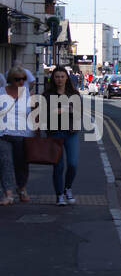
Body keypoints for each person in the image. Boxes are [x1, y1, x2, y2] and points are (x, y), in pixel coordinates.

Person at [42, 65, 83, 205]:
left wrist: (63, 109)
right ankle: (59, 195)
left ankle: (68, 188)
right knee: (58, 166)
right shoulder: (47, 95)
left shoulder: (74, 94)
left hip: (71, 132)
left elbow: (78, 113)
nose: (59, 79)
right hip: (55, 133)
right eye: (57, 77)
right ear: (53, 78)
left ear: (67, 78)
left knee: (73, 164)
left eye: (62, 77)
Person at [0, 66, 34, 205]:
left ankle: (21, 188)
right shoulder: (1, 93)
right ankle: (8, 194)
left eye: (23, 79)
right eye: (18, 79)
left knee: (21, 164)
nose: (21, 82)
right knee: (5, 163)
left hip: (23, 134)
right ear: (10, 80)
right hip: (4, 133)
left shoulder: (26, 93)